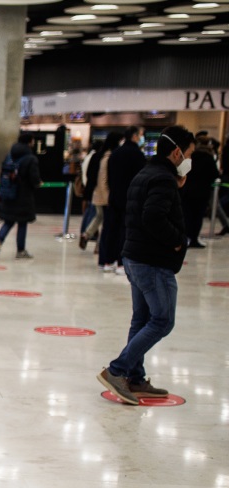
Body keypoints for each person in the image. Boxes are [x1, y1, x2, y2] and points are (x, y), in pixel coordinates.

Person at [97, 126, 195, 406]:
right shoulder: (162, 179)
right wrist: (178, 240)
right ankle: (117, 370)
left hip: (134, 257)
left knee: (141, 320)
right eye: (188, 154)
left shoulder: (147, 173)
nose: (189, 161)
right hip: (152, 262)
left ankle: (136, 378)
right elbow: (153, 217)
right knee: (162, 320)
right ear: (177, 152)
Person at [102, 126, 147, 274]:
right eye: (140, 135)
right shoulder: (138, 155)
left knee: (112, 229)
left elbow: (108, 177)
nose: (141, 137)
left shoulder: (115, 154)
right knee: (126, 231)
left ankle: (108, 261)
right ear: (134, 136)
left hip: (114, 197)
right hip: (130, 199)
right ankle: (122, 263)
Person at [0, 133, 41, 261]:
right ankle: (20, 250)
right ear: (30, 142)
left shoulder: (10, 156)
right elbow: (34, 179)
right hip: (23, 196)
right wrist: (38, 183)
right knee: (22, 223)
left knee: (8, 222)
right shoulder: (30, 158)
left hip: (9, 194)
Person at [82, 131, 123, 253]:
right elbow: (103, 179)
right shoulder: (108, 157)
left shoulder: (97, 155)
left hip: (96, 194)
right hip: (104, 195)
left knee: (99, 217)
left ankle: (87, 234)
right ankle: (99, 246)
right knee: (107, 223)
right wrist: (108, 197)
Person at [180, 138, 218, 249]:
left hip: (188, 190)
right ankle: (194, 238)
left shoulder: (191, 157)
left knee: (187, 215)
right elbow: (214, 174)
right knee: (198, 216)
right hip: (202, 192)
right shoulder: (208, 157)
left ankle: (186, 237)